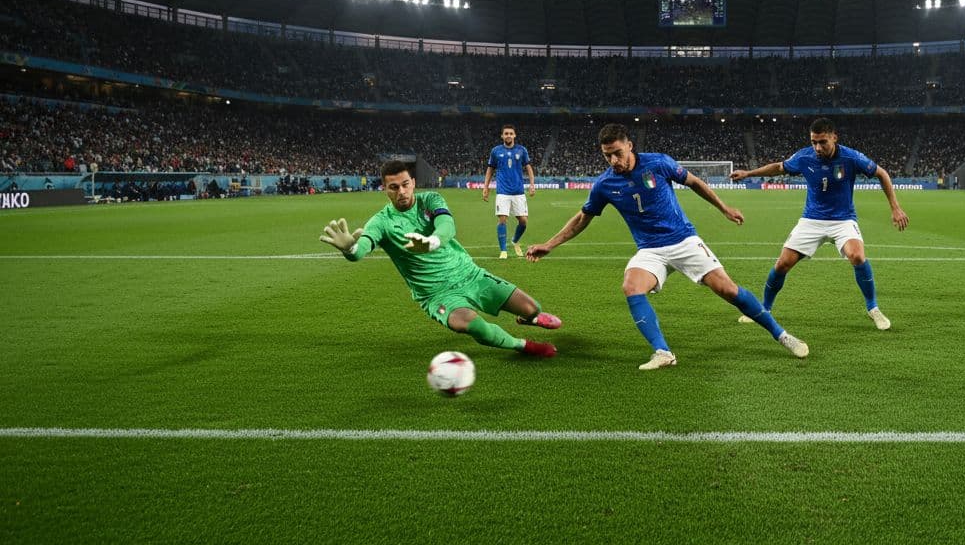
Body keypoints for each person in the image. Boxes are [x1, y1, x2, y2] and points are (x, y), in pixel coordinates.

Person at [525, 123, 809, 370]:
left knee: (728, 290)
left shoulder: (657, 163)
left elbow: (695, 182)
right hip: (650, 250)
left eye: (617, 153)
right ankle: (663, 352)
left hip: (683, 240)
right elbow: (582, 218)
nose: (613, 160)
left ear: (630, 146)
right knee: (631, 286)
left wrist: (724, 208)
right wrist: (550, 244)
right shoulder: (604, 184)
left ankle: (782, 335)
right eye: (606, 155)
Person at [321, 160, 560, 359]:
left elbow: (447, 226)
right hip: (437, 294)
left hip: (470, 275)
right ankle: (523, 345)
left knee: (533, 308)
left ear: (413, 183)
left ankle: (527, 318)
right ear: (384, 188)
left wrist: (430, 242)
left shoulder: (430, 200)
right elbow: (362, 247)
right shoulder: (380, 222)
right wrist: (351, 250)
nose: (401, 192)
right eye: (394, 187)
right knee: (473, 325)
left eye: (405, 185)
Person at [730, 117, 910, 331]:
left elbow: (882, 173)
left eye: (822, 142)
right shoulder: (804, 156)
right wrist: (749, 173)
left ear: (834, 137)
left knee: (857, 256)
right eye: (814, 142)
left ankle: (873, 308)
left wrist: (895, 207)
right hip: (811, 220)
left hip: (843, 220)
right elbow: (778, 167)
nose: (817, 147)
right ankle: (764, 309)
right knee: (782, 264)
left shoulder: (851, 157)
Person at [482, 124, 536, 259]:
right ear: (502, 136)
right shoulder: (495, 151)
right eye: (506, 133)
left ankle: (514, 241)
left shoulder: (522, 150)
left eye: (511, 133)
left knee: (523, 221)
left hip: (518, 191)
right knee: (502, 220)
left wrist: (532, 184)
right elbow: (490, 169)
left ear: (515, 135)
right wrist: (486, 186)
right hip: (502, 191)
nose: (508, 136)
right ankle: (503, 250)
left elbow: (528, 168)